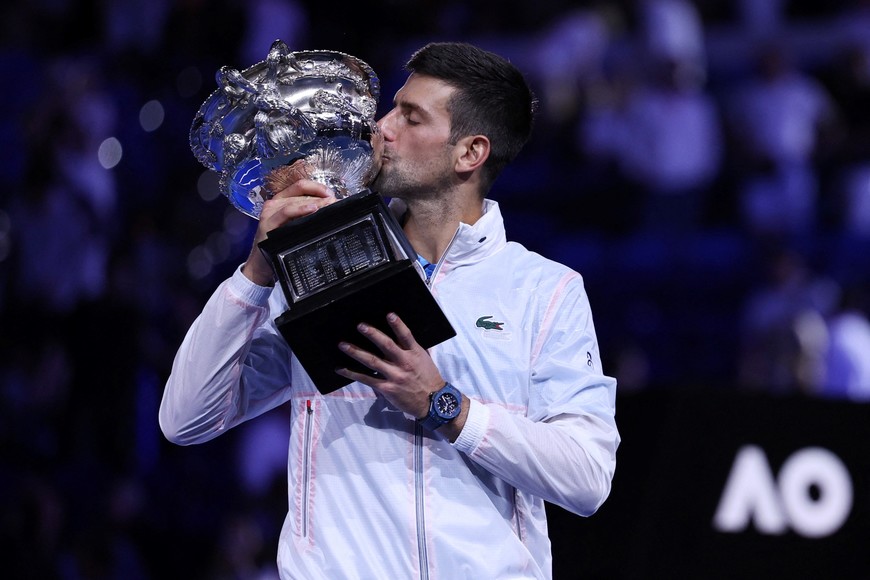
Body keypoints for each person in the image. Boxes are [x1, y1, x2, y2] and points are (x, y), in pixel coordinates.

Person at [159, 41, 619, 579]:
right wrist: (257, 274)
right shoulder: (317, 268)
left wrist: (446, 406)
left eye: (411, 117)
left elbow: (586, 478)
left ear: (469, 153)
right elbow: (184, 419)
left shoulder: (544, 291)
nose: (381, 127)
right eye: (392, 107)